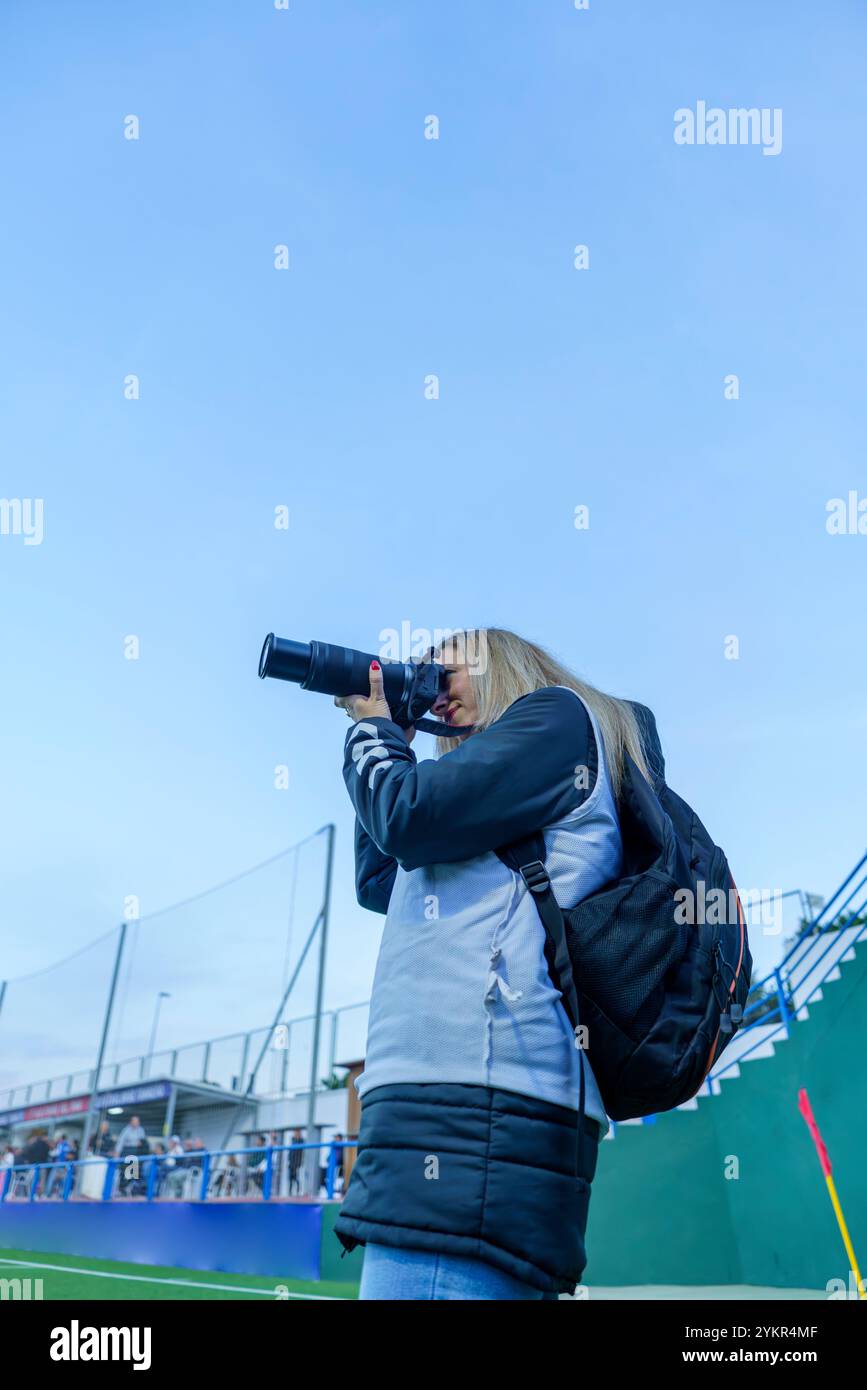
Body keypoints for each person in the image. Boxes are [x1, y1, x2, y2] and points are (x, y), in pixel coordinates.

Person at [332, 627, 656, 1300]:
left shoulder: (557, 715)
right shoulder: (490, 794)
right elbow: (381, 881)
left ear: (501, 665)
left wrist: (371, 732)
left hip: (478, 1106)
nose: (433, 691)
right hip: (449, 1099)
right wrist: (395, 738)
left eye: (446, 672)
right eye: (422, 678)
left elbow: (404, 819)